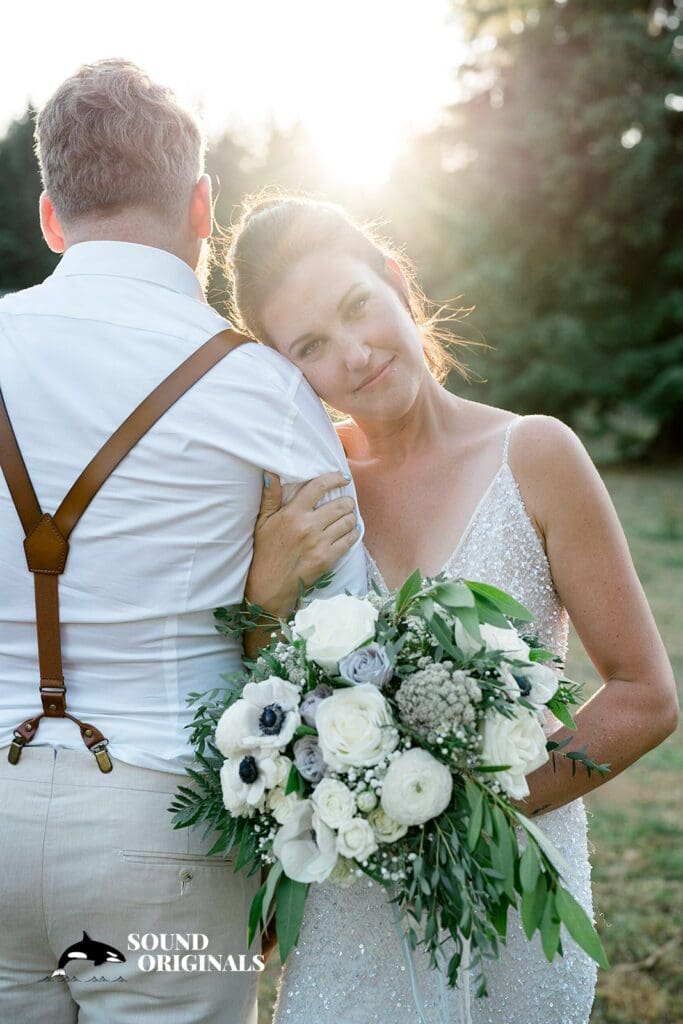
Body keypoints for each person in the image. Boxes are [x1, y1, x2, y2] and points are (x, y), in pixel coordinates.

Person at [227, 193, 679, 1024]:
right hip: (345, 910)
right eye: (312, 346)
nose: (355, 354)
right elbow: (261, 696)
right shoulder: (300, 496)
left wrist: (457, 817)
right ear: (290, 373)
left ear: (397, 281)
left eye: (358, 306)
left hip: (509, 889)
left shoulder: (534, 454)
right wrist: (264, 593)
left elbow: (645, 697)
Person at [0, 64, 365, 1024]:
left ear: (50, 217)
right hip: (168, 830)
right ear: (203, 206)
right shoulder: (257, 384)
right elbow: (351, 630)